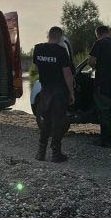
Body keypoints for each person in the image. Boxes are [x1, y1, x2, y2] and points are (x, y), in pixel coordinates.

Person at [32, 26, 74, 162]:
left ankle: (41, 153)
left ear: (49, 35)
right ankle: (56, 154)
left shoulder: (37, 49)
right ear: (60, 37)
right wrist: (71, 93)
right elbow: (67, 73)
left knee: (46, 121)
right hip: (59, 91)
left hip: (45, 90)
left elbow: (38, 68)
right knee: (58, 122)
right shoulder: (61, 51)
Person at [87, 25, 111, 147]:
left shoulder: (99, 43)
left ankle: (104, 140)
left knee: (104, 111)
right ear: (108, 32)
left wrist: (98, 65)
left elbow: (91, 61)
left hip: (103, 83)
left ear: (98, 34)